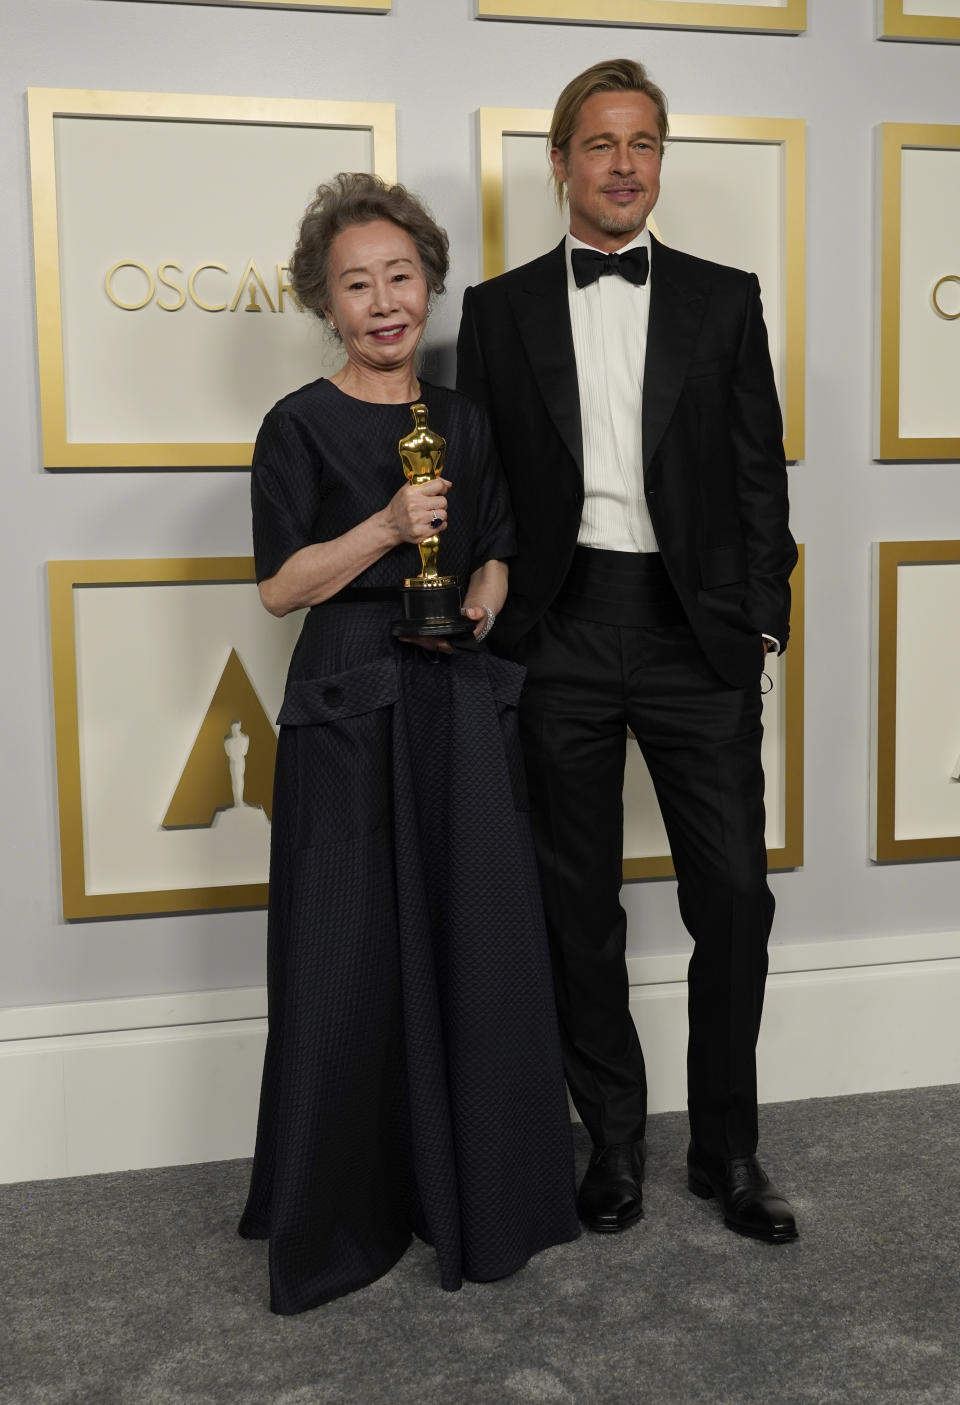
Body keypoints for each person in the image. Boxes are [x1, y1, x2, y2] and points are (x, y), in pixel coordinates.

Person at [457, 59, 799, 1243]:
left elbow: (762, 470)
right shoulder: (498, 313)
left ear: (661, 160)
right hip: (560, 630)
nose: (623, 165)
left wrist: (762, 613)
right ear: (560, 161)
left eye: (644, 143)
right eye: (600, 144)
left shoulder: (723, 297)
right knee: (575, 903)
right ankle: (610, 1138)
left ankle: (729, 1150)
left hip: (693, 630)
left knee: (737, 902)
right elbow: (487, 476)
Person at [238, 173, 580, 1314]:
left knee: (466, 942)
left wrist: (482, 589)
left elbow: (497, 546)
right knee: (343, 961)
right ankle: (339, 1211)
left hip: (451, 699)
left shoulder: (463, 418)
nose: (385, 300)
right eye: (357, 283)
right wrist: (385, 525)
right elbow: (284, 589)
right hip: (345, 709)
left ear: (429, 284)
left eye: (401, 276)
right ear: (325, 304)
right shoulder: (295, 426)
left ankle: (470, 1191)